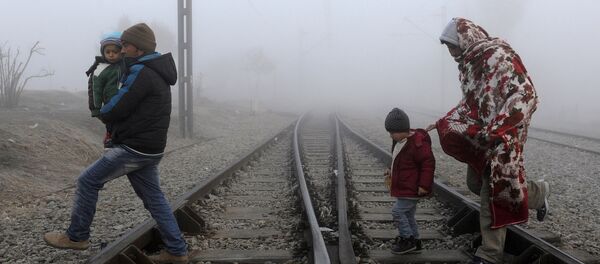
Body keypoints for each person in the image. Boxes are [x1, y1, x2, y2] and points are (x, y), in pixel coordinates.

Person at [44, 23, 188, 264]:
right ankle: (177, 249)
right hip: (150, 148)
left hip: (134, 148)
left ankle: (77, 236)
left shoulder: (142, 71)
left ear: (138, 49)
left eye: (125, 45)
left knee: (88, 180)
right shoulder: (155, 70)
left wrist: (101, 111)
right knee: (154, 198)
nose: (121, 50)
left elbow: (118, 106)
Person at [428, 17, 550, 264]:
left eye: (453, 46)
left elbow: (526, 94)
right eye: (448, 47)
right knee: (475, 183)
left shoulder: (497, 57)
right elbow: (472, 103)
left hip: (504, 137)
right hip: (484, 137)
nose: (451, 52)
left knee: (492, 191)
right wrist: (445, 121)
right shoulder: (469, 64)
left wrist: (500, 127)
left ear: (466, 40)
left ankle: (490, 254)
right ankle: (538, 193)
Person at [383, 108, 435, 255]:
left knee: (397, 212)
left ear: (402, 130)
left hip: (411, 188)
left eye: (392, 132)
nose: (391, 136)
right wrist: (390, 169)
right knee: (408, 215)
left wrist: (424, 186)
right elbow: (398, 160)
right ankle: (416, 241)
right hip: (404, 187)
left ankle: (407, 239)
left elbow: (428, 165)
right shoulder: (399, 141)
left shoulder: (418, 144)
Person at [85, 32, 124, 148]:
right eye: (108, 52)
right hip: (109, 106)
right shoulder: (100, 69)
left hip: (125, 104)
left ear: (121, 52)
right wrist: (96, 110)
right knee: (111, 127)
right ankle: (109, 138)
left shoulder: (125, 65)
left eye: (115, 52)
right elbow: (94, 91)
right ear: (103, 52)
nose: (111, 55)